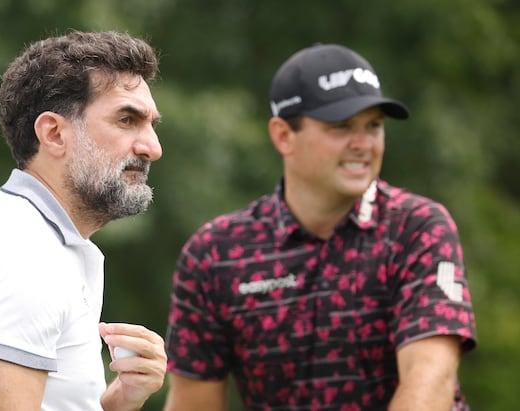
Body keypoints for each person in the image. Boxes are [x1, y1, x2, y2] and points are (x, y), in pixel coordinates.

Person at [163, 43, 477, 411]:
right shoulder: (215, 254)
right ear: (283, 135)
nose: (363, 144)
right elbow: (194, 404)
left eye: (374, 126)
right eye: (341, 126)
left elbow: (431, 381)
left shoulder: (417, 229)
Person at [0, 30, 167, 411]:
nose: (152, 147)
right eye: (127, 120)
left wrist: (120, 400)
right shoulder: (20, 253)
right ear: (54, 134)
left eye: (152, 124)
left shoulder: (44, 241)